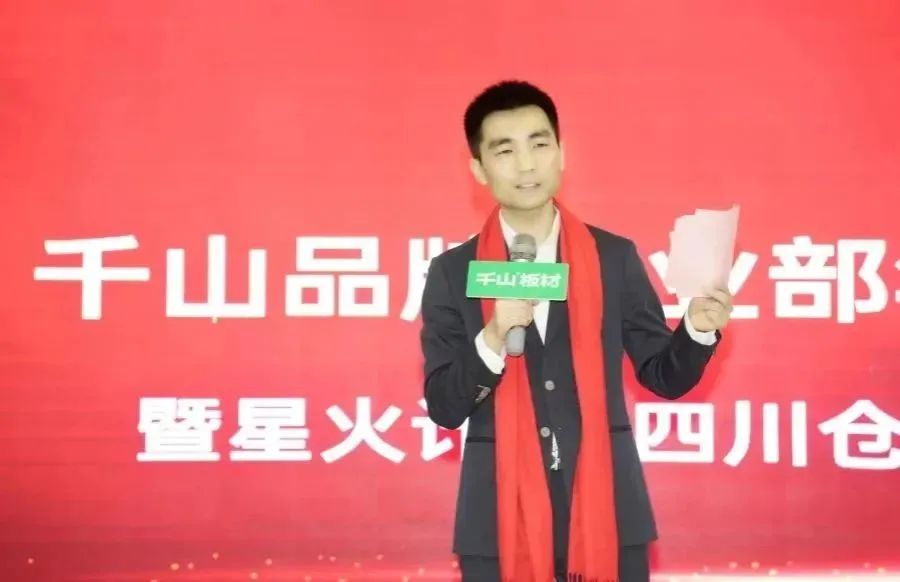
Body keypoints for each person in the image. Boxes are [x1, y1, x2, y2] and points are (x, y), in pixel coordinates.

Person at [419, 80, 733, 582]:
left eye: (539, 144)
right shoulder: (454, 273)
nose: (526, 165)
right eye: (505, 150)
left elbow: (663, 376)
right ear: (478, 168)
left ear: (561, 153)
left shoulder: (612, 258)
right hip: (497, 522)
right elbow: (444, 405)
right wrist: (494, 339)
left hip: (609, 512)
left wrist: (695, 330)